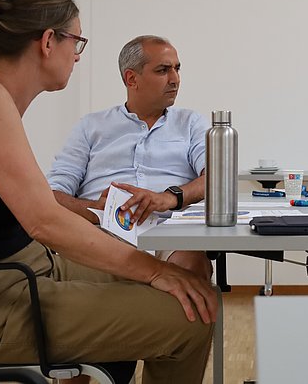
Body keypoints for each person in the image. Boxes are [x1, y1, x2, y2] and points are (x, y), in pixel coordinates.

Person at [0, 0, 216, 383]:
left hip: (27, 269)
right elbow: (46, 219)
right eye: (75, 42)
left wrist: (158, 266)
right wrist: (153, 270)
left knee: (187, 282)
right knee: (194, 314)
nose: (77, 57)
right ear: (48, 42)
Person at [47, 35, 211, 280]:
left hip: (169, 234)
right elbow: (52, 195)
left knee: (190, 266)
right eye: (163, 70)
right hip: (101, 234)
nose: (175, 79)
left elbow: (216, 177)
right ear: (131, 78)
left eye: (177, 69)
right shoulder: (91, 126)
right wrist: (98, 211)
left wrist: (169, 197)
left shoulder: (190, 123)